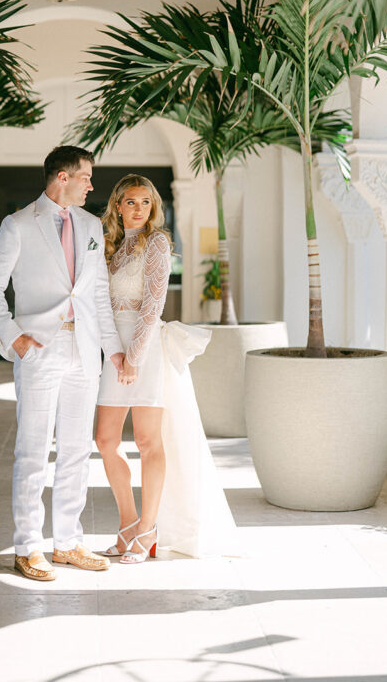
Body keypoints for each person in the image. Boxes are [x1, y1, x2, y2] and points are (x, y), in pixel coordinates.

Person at [0, 145, 128, 582]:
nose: (91, 185)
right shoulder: (19, 224)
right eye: (86, 178)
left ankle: (67, 542)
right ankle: (28, 546)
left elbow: (97, 295)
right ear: (62, 176)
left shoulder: (91, 224)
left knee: (78, 449)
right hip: (40, 350)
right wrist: (15, 337)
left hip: (85, 351)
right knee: (33, 449)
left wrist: (112, 348)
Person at [96, 173, 239, 563]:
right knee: (105, 441)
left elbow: (153, 305)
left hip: (146, 349)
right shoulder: (110, 248)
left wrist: (134, 358)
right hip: (114, 351)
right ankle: (128, 523)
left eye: (146, 202)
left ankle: (148, 529)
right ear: (118, 206)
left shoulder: (157, 243)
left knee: (147, 441)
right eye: (131, 201)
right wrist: (115, 355)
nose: (138, 209)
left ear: (153, 206)